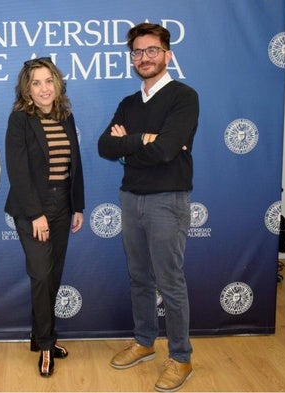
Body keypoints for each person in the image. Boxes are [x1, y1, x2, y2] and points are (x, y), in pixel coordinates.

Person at [98, 23, 199, 392]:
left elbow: (167, 150)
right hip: (131, 198)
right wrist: (142, 141)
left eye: (151, 50)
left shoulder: (184, 97)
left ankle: (181, 358)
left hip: (168, 199)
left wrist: (131, 149)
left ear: (167, 54)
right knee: (139, 277)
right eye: (137, 52)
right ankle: (144, 342)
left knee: (169, 282)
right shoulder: (128, 103)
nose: (144, 58)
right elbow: (104, 147)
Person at [5, 57, 85, 377]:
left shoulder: (66, 116)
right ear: (27, 88)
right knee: (40, 275)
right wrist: (36, 213)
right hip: (32, 210)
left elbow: (74, 165)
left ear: (57, 83)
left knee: (53, 276)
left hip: (63, 207)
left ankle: (43, 337)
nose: (43, 89)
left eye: (48, 81)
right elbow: (18, 171)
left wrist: (77, 205)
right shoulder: (20, 120)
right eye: (36, 83)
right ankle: (45, 344)